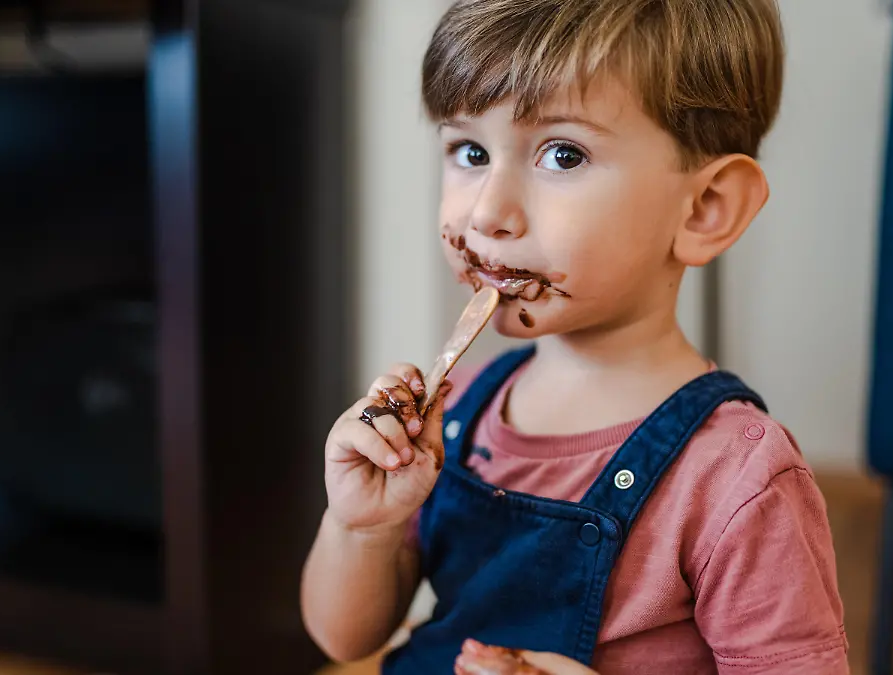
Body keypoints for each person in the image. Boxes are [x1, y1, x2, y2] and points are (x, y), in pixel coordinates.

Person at [301, 0, 848, 673]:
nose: (488, 211)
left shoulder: (737, 477)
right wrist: (363, 525)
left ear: (705, 209)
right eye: (469, 151)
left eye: (563, 154)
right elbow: (343, 639)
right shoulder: (457, 413)